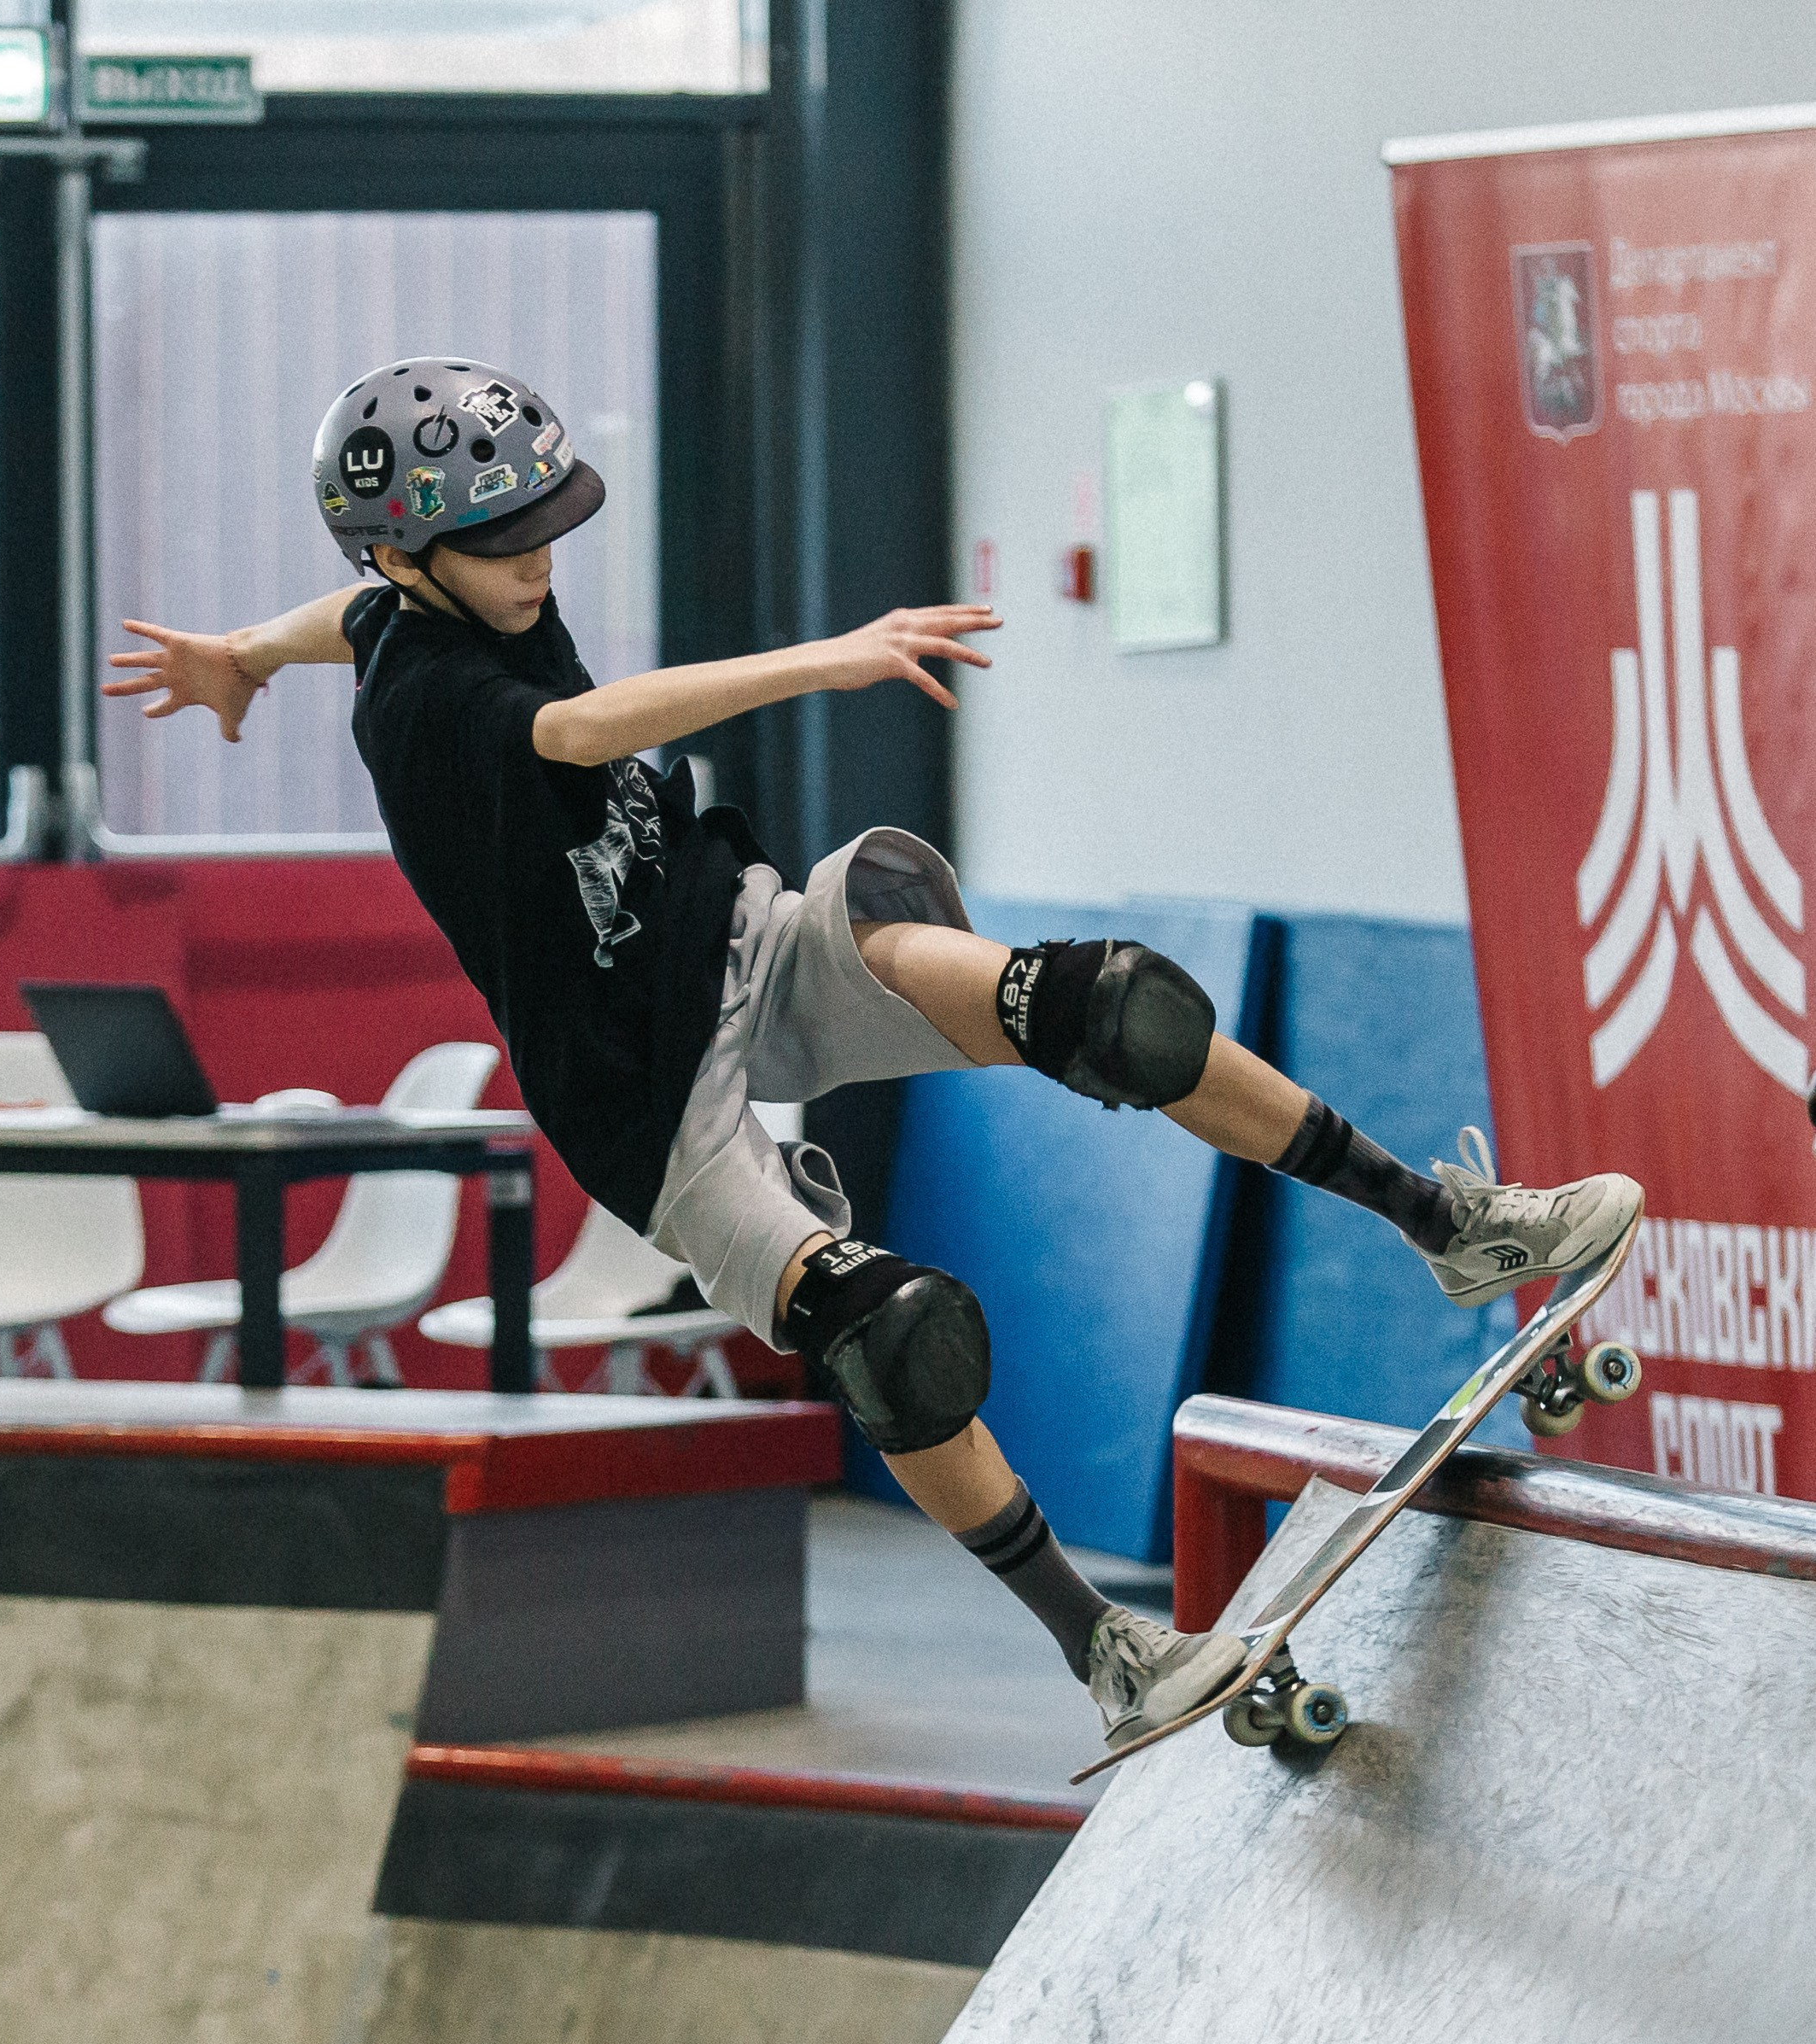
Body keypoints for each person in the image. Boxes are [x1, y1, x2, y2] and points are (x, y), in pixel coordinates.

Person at [105, 357, 1642, 1752]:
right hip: (646, 1104)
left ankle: (1453, 1227)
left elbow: (336, 615)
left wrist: (245, 649)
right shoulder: (433, 701)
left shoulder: (405, 597)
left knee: (1115, 1005)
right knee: (895, 1338)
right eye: (509, 545)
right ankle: (1103, 1644)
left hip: (747, 936)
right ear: (408, 554)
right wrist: (824, 661)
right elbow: (581, 733)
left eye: (547, 529)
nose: (542, 564)